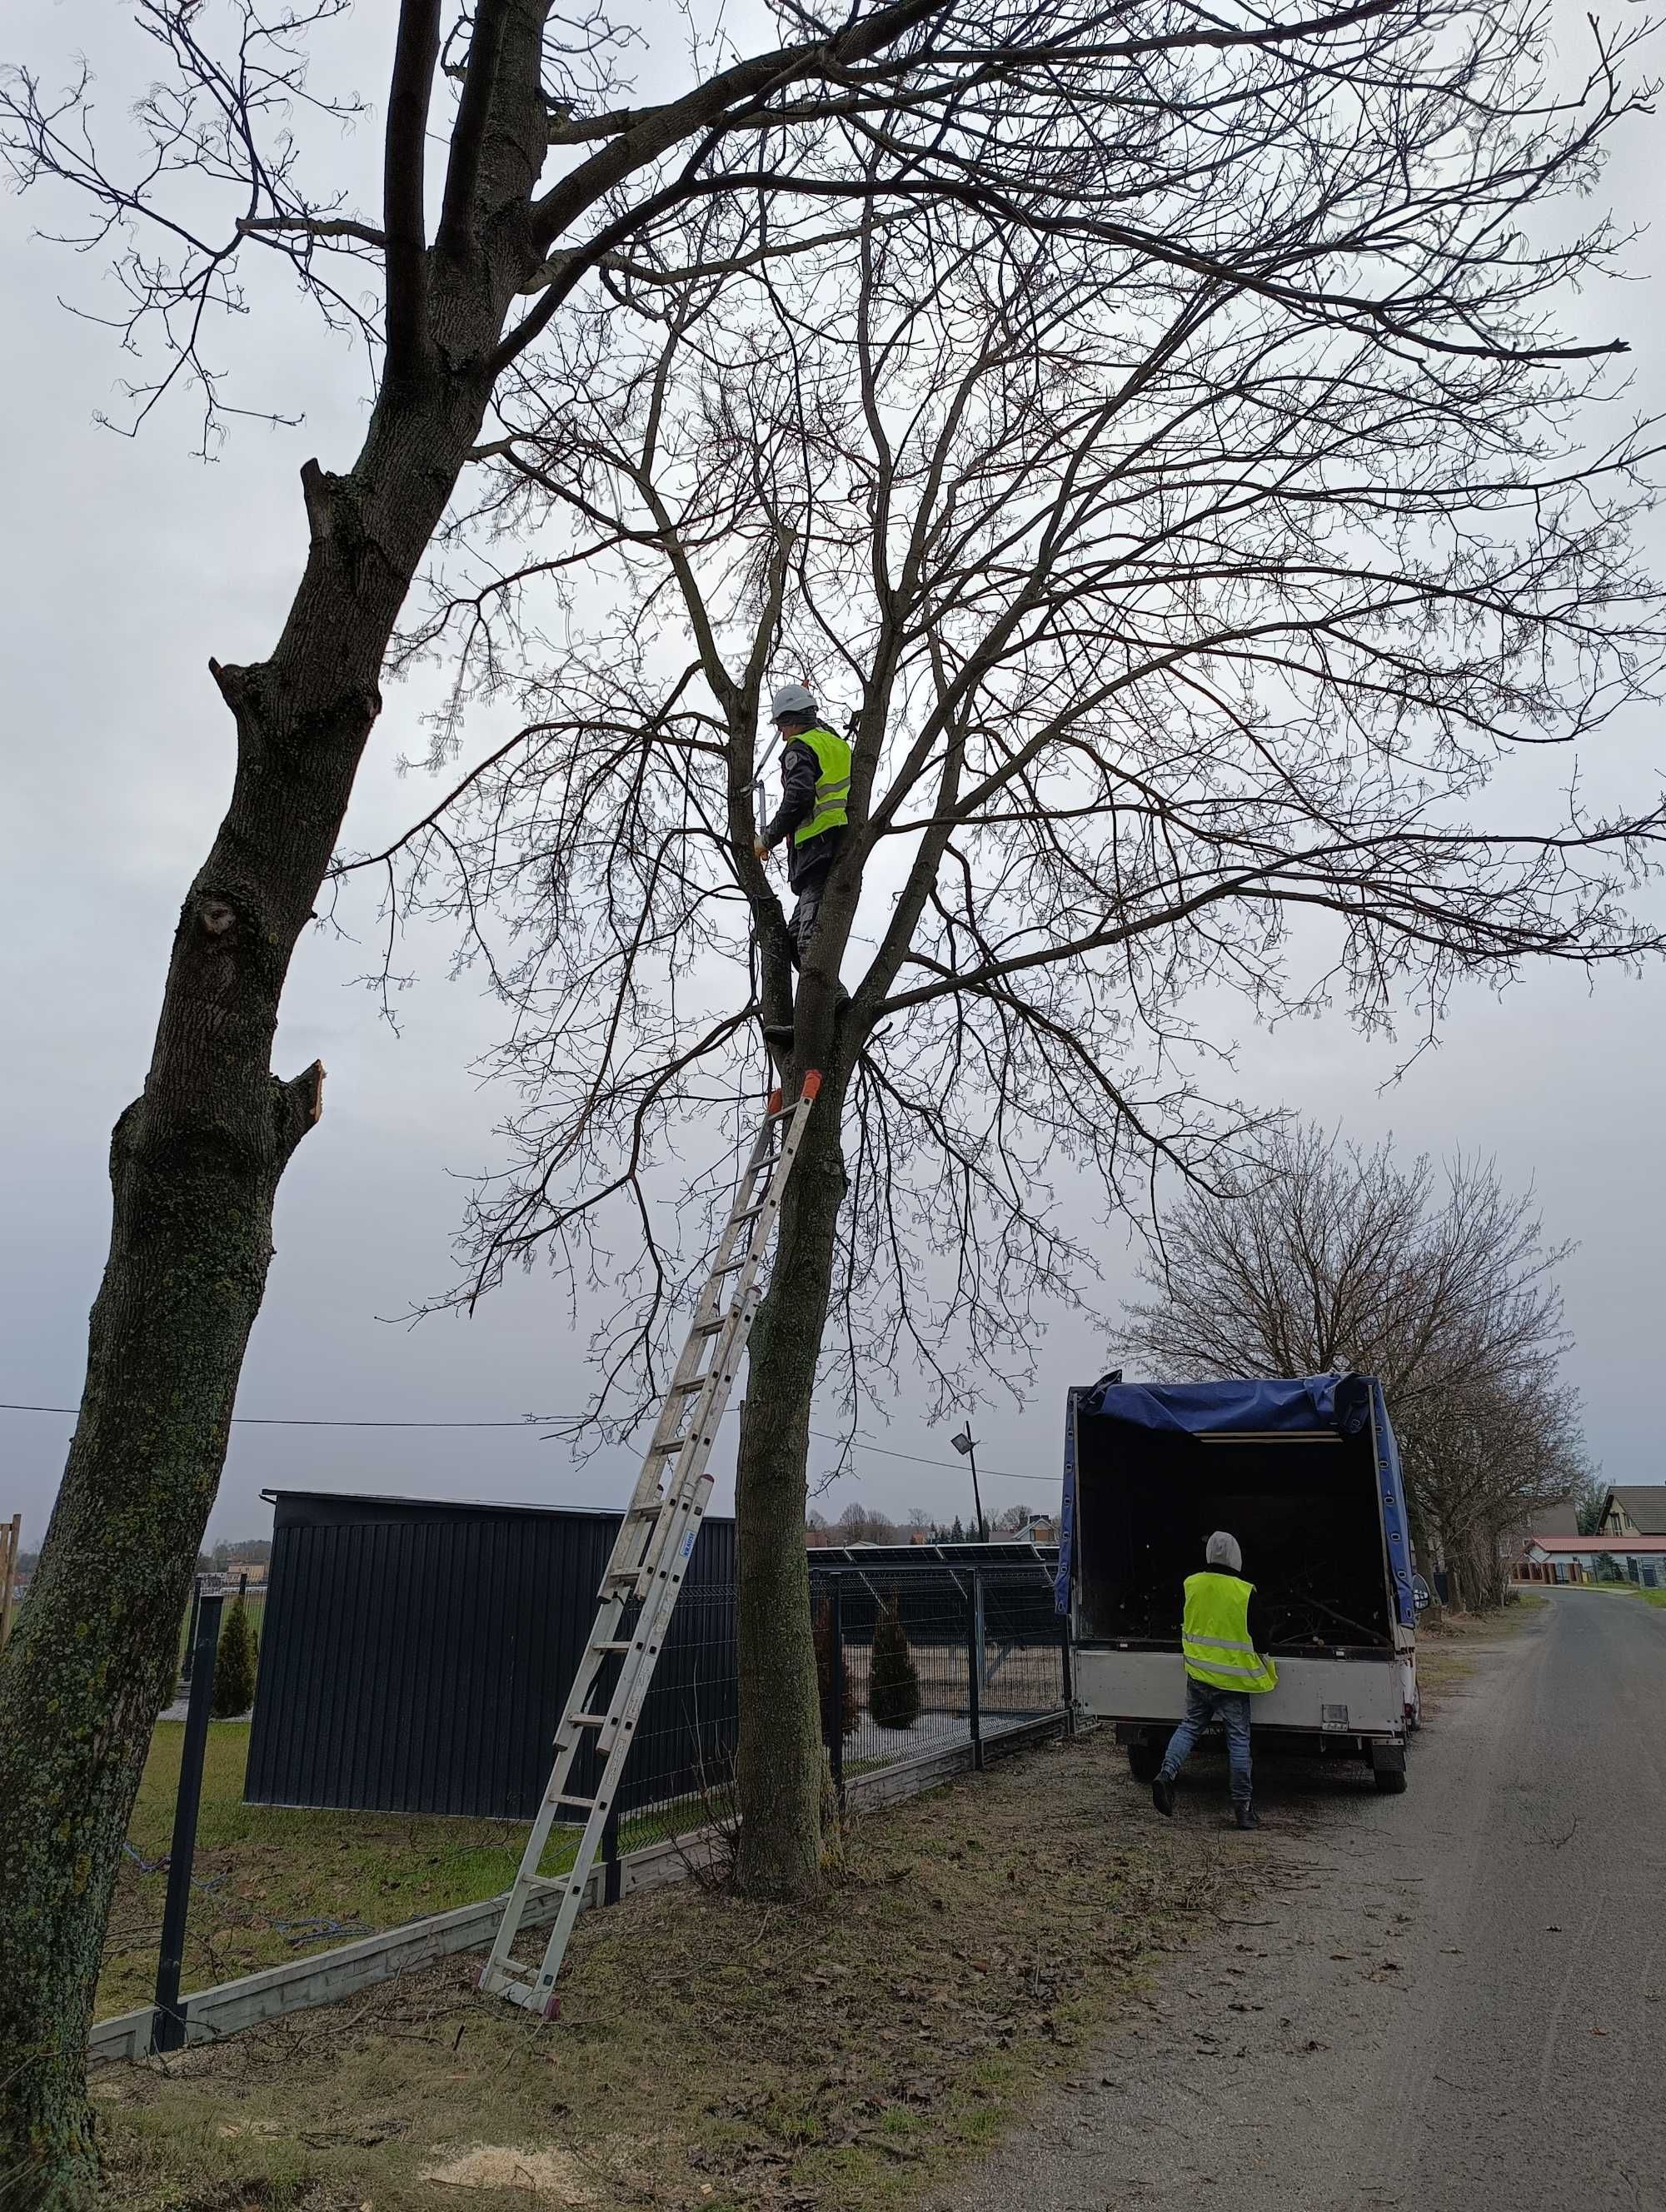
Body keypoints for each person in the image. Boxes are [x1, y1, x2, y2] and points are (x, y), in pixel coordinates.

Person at [1150, 1531, 1278, 1830]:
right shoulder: (1245, 1592)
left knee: (1190, 1726)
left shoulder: (1190, 1584)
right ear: (1236, 1556)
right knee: (1238, 1739)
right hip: (1233, 1682)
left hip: (1198, 1675)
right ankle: (1243, 1809)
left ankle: (1166, 1775)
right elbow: (1261, 1638)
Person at [751, 683, 851, 1051]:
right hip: (835, 850)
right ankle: (834, 998)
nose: (780, 733)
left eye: (781, 725)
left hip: (818, 851)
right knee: (796, 939)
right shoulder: (835, 743)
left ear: (792, 721)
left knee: (808, 941)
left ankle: (813, 1022)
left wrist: (768, 838)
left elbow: (799, 797)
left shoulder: (800, 748)